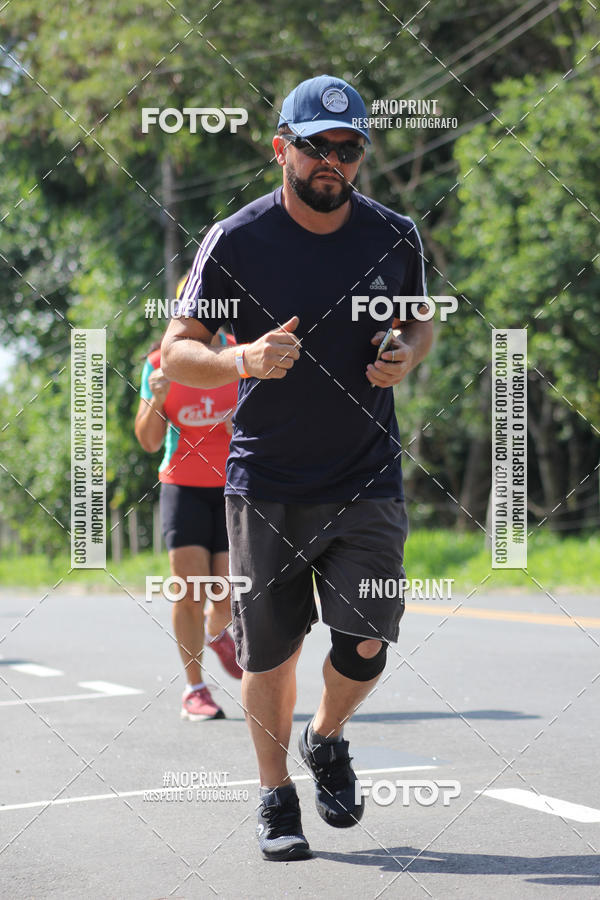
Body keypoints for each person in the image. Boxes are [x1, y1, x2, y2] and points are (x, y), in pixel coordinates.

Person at [161, 75, 434, 859]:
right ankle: (276, 797)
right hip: (268, 482)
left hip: (366, 474)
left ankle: (329, 734)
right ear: (281, 147)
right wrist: (241, 357)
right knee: (271, 654)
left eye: (348, 150)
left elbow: (420, 324)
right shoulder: (236, 239)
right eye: (316, 147)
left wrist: (404, 356)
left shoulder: (394, 235)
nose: (332, 163)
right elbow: (180, 350)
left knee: (369, 636)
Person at [135, 299, 242, 722]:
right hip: (183, 485)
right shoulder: (161, 362)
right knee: (189, 589)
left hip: (234, 487)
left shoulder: (239, 353)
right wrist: (156, 401)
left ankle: (218, 632)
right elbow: (147, 440)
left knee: (228, 591)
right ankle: (194, 689)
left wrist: (244, 424)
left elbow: (266, 424)